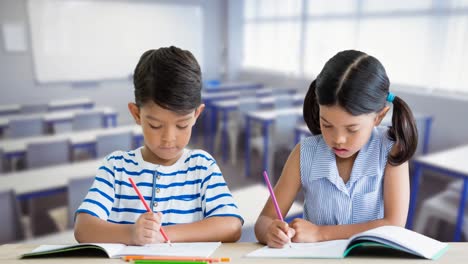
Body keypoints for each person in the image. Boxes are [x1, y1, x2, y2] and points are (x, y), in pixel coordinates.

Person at [74, 46, 243, 245]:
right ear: (136, 114)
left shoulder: (202, 166)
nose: (168, 138)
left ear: (196, 115)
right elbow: (83, 228)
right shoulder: (116, 166)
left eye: (182, 125)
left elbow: (232, 227)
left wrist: (162, 234)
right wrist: (131, 234)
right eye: (155, 125)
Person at [254, 50, 418, 248]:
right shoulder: (304, 153)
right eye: (327, 125)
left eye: (352, 129)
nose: (338, 140)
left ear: (379, 117)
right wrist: (270, 231)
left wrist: (320, 233)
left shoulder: (391, 149)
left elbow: (394, 224)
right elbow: (264, 220)